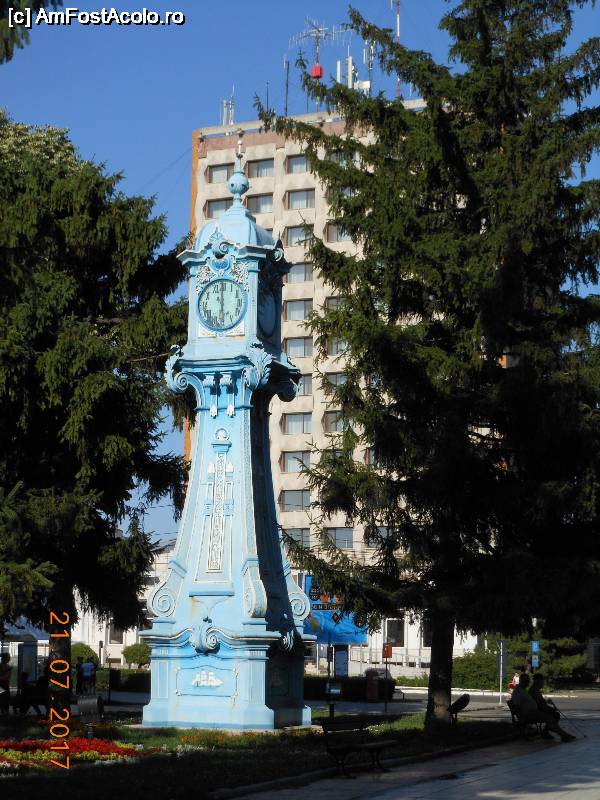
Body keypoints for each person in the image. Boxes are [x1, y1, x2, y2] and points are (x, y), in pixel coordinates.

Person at [511, 673, 575, 742]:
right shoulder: (519, 691)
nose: (527, 682)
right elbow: (517, 706)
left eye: (528, 681)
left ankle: (556, 733)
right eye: (525, 681)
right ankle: (563, 735)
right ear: (521, 681)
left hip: (532, 712)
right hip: (529, 714)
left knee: (553, 715)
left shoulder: (523, 690)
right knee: (550, 718)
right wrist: (521, 717)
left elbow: (538, 702)